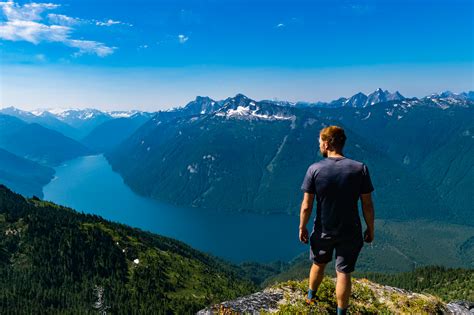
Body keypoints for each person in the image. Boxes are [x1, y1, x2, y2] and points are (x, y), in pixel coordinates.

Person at [299, 125, 375, 315]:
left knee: (318, 263)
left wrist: (302, 226)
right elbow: (367, 205)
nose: (320, 146)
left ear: (326, 143)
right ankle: (341, 312)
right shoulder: (360, 169)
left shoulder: (314, 169)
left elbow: (307, 205)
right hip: (351, 230)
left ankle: (310, 297)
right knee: (343, 273)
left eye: (320, 143)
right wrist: (370, 228)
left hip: (323, 229)